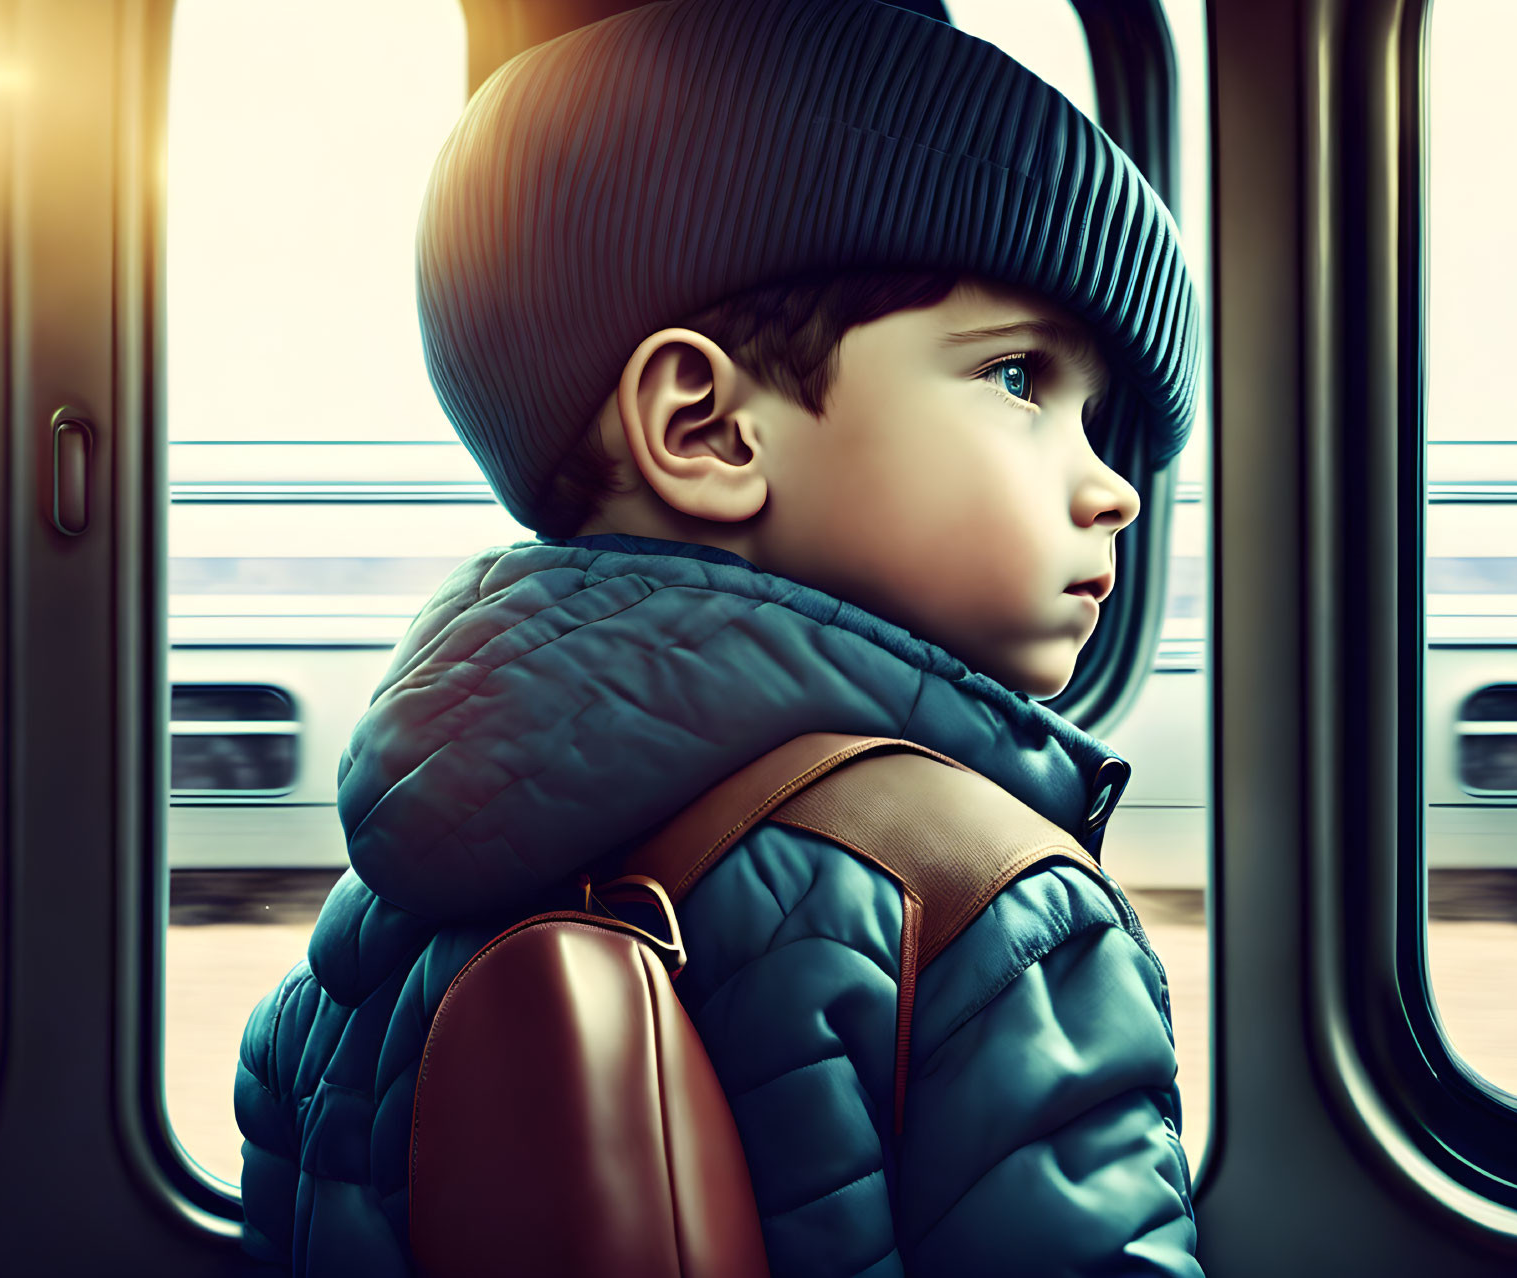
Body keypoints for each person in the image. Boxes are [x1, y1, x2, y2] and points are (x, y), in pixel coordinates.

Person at [235, 1, 1203, 1274]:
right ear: (704, 429)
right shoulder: (987, 914)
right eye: (1019, 379)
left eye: (1099, 420)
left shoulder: (355, 952)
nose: (1112, 487)